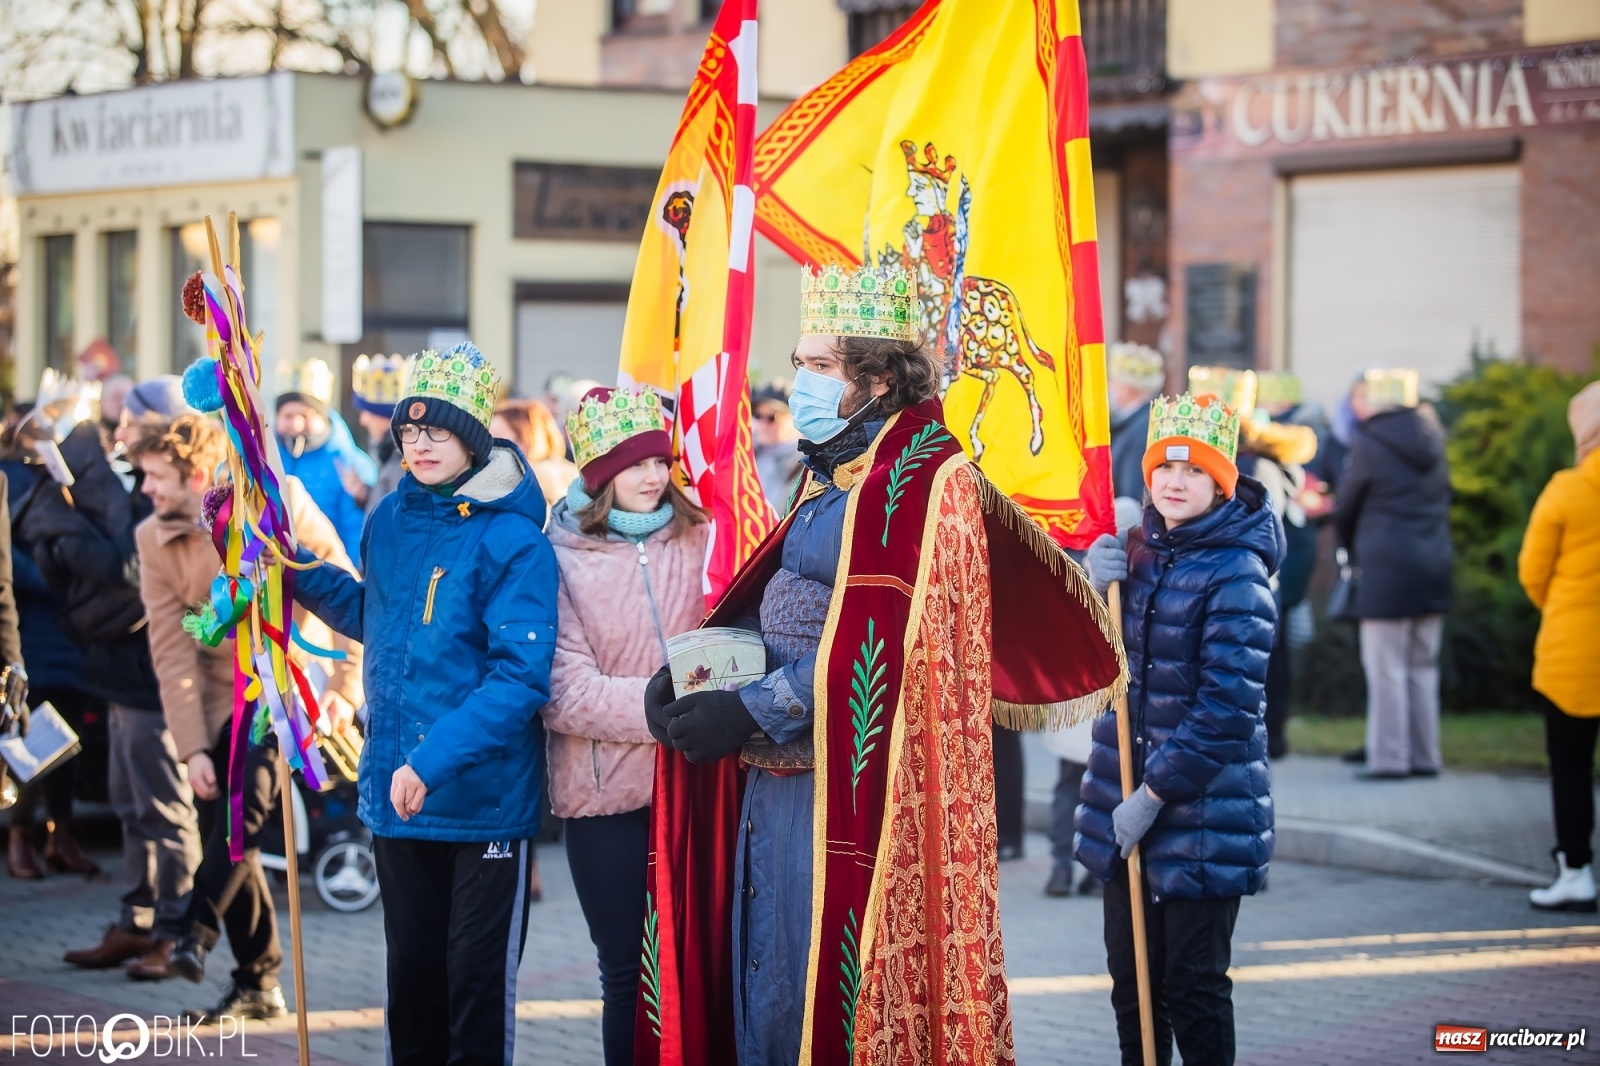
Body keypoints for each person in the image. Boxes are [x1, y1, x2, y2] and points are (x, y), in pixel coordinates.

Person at [640, 263, 1125, 1064]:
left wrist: (749, 709)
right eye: (797, 364)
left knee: (811, 994)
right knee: (761, 992)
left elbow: (891, 645)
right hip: (776, 772)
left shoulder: (934, 486)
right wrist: (703, 675)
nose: (799, 382)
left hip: (854, 794)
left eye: (820, 366)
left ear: (879, 378)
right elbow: (787, 606)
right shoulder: (827, 472)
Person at [290, 343, 558, 1065]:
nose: (419, 445)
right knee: (411, 986)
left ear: (472, 436)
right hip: (397, 797)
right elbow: (376, 619)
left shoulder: (514, 539)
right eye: (409, 433)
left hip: (480, 800)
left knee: (473, 994)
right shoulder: (389, 520)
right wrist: (294, 573)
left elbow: (519, 678)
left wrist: (431, 762)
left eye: (436, 431)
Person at [1077, 390, 1281, 1066]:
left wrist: (1153, 796)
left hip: (1199, 818)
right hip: (1123, 801)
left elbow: (1227, 709)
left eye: (1195, 471)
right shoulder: (1137, 554)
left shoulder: (1238, 571)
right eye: (1165, 467)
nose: (1175, 481)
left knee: (1190, 987)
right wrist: (1088, 584)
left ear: (1221, 481)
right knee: (1133, 987)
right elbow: (1095, 663)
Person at [131, 414, 363, 1008]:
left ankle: (191, 931)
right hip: (215, 695)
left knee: (248, 803)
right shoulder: (151, 539)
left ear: (196, 473)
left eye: (156, 476)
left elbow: (342, 584)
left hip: (291, 679)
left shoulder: (277, 499)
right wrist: (190, 750)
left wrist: (345, 685)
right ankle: (258, 977)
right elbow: (171, 649)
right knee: (224, 821)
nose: (145, 489)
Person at [544, 385, 708, 1066]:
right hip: (605, 800)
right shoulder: (560, 556)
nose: (651, 475)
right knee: (626, 975)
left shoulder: (704, 539)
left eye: (659, 461)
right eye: (633, 463)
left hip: (700, 785)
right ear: (600, 474)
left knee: (698, 965)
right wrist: (664, 708)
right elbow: (563, 690)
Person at [1333, 369, 1452, 779]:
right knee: (1423, 664)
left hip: (1385, 565)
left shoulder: (1369, 441)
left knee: (1386, 666)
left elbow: (1345, 506)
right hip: (1434, 562)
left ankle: (1389, 759)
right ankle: (1425, 756)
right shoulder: (1434, 436)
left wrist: (1347, 548)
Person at [1520, 381, 1600, 912]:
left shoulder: (1568, 490)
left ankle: (1575, 871)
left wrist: (1562, 609)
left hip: (1573, 651)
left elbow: (1532, 571)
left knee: (1571, 767)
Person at [276, 358, 376, 561]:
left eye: (305, 415)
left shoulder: (351, 464)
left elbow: (357, 529)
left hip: (330, 575)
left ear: (323, 417)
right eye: (288, 415)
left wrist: (354, 579)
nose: (295, 424)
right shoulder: (265, 459)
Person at [491, 398, 582, 507]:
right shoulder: (576, 479)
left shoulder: (528, 484)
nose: (488, 446)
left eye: (497, 438)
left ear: (527, 440)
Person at [347, 354, 408, 519]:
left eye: (369, 412)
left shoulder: (405, 462)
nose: (363, 420)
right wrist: (366, 495)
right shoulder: (390, 455)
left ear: (387, 415)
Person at [1107, 342, 1166, 499]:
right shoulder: (1137, 422)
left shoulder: (1142, 430)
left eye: (1113, 381)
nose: (1109, 387)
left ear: (1128, 389)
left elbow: (1132, 495)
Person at [750, 380, 803, 513]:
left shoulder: (805, 463)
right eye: (757, 415)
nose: (763, 423)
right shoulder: (748, 453)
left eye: (771, 417)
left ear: (793, 418)